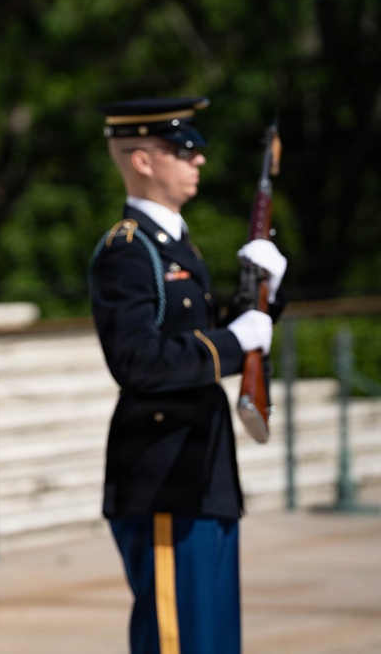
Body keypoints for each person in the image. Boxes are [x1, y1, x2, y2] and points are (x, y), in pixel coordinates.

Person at [88, 97, 287, 654]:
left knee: (215, 639)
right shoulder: (128, 252)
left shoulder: (178, 247)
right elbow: (138, 361)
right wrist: (234, 340)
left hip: (200, 471)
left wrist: (266, 297)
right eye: (185, 149)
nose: (199, 160)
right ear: (144, 160)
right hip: (163, 475)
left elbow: (204, 338)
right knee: (181, 642)